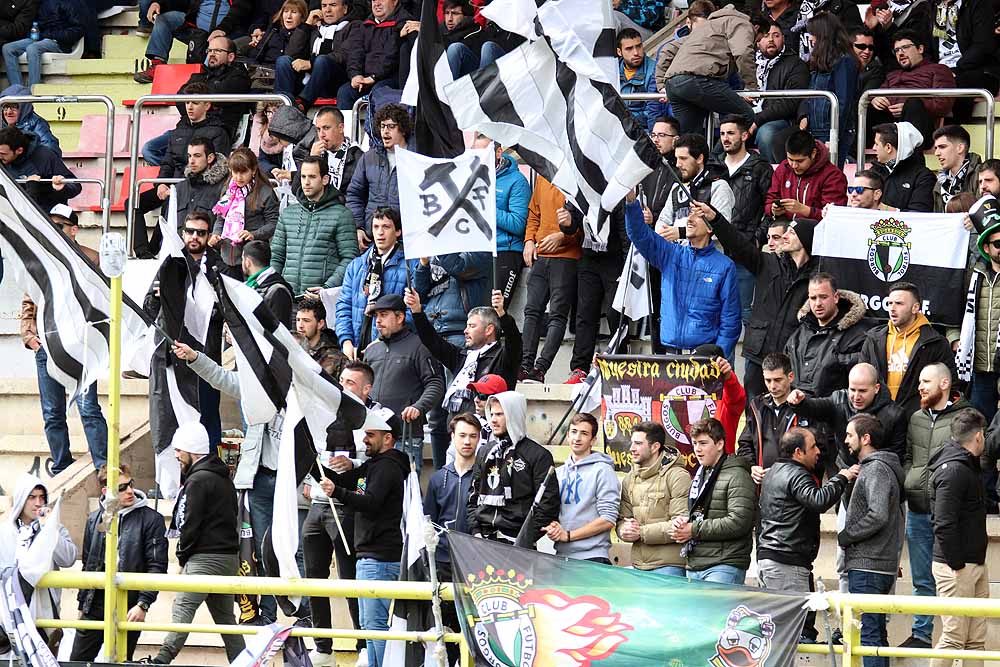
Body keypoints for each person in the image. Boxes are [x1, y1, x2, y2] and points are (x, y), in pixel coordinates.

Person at [21, 205, 108, 475]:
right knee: (52, 411)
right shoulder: (39, 257)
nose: (54, 231)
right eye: (51, 225)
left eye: (59, 226)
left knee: (88, 408)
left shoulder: (93, 258)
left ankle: (104, 467)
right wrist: (30, 336)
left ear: (73, 229)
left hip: (81, 346)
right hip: (47, 344)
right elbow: (28, 299)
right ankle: (61, 466)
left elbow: (104, 301)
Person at [320, 408, 409, 667]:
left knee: (374, 626)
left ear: (388, 438)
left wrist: (337, 491)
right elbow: (347, 482)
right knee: (370, 625)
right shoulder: (374, 466)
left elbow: (370, 502)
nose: (365, 440)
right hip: (372, 557)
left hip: (379, 558)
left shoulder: (387, 467)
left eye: (370, 434)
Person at [152, 423, 246, 665]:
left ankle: (162, 660)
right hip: (228, 559)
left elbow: (189, 523)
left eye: (179, 451)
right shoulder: (224, 479)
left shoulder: (197, 481)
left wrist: (182, 556)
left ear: (192, 452)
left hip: (204, 558)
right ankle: (244, 663)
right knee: (227, 621)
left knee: (182, 608)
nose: (176, 456)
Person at [707, 198, 819, 397]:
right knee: (753, 410)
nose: (784, 237)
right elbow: (738, 243)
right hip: (758, 354)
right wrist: (716, 219)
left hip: (791, 358)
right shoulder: (767, 263)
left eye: (791, 233)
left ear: (806, 240)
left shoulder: (818, 277)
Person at [304, 361, 375, 667]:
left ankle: (363, 644)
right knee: (314, 578)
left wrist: (354, 467)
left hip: (346, 506)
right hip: (317, 504)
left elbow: (380, 464)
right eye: (342, 380)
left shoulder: (375, 418)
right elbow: (310, 452)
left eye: (350, 383)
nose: (343, 386)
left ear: (366, 388)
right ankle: (322, 647)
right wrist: (307, 481)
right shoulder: (323, 412)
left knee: (349, 579)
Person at [757, 428, 856, 643]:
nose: (818, 452)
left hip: (776, 559)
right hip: (786, 562)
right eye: (813, 447)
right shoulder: (796, 474)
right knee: (790, 633)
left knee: (791, 630)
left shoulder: (774, 471)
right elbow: (818, 500)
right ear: (798, 453)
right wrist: (842, 478)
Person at [898, 362, 971, 648]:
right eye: (919, 381)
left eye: (926, 381)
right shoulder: (915, 417)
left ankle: (959, 639)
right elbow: (907, 455)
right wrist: (909, 479)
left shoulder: (965, 418)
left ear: (944, 384)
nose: (920, 386)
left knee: (954, 580)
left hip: (950, 514)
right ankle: (921, 635)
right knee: (921, 580)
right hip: (917, 510)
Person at [144, 211, 225, 459]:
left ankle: (213, 467)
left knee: (208, 418)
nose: (194, 237)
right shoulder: (168, 265)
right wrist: (158, 298)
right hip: (171, 357)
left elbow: (226, 312)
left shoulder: (220, 269)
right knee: (168, 420)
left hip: (204, 358)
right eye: (190, 231)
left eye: (200, 233)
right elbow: (148, 308)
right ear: (182, 233)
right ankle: (172, 481)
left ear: (208, 236)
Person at [628, 188, 741, 357]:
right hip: (670, 356)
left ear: (711, 229)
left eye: (697, 215)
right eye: (689, 214)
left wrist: (718, 356)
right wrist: (631, 204)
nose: (689, 218)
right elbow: (640, 235)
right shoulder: (671, 254)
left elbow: (730, 320)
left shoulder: (724, 266)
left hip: (704, 360)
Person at [72, 464, 168, 662]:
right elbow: (88, 564)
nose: (130, 491)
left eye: (130, 484)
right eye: (122, 488)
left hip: (129, 604)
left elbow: (156, 566)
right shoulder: (94, 519)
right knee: (77, 661)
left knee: (121, 660)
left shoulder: (152, 520)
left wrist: (143, 604)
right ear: (106, 491)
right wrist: (82, 604)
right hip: (95, 602)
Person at [412, 250, 491, 468]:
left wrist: (438, 245)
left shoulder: (479, 250)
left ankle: (464, 472)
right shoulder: (433, 256)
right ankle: (441, 474)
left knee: (459, 412)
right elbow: (419, 291)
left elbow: (458, 266)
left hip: (459, 337)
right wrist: (423, 262)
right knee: (436, 417)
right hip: (432, 334)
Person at [840, 413, 904, 667]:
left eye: (849, 435)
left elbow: (877, 514)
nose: (845, 440)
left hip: (869, 566)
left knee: (869, 636)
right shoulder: (872, 469)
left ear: (865, 438)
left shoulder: (876, 468)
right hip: (874, 564)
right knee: (876, 636)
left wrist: (847, 535)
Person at [928, 408, 989, 667]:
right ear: (978, 437)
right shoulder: (953, 470)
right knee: (953, 637)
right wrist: (957, 565)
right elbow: (943, 523)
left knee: (976, 641)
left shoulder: (964, 467)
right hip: (957, 566)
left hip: (973, 563)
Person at [406, 287, 521, 417]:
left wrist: (501, 314)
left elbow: (514, 341)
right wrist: (416, 310)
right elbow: (432, 341)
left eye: (472, 326)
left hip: (487, 431)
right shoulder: (462, 357)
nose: (465, 331)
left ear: (489, 330)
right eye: (466, 326)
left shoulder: (503, 357)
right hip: (457, 431)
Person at [423, 411, 480, 665]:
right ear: (452, 438)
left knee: (473, 626)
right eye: (462, 436)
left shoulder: (485, 477)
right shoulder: (438, 479)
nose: (467, 441)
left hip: (475, 564)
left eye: (473, 436)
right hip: (444, 563)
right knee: (446, 627)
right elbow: (428, 522)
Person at [364, 293, 444, 472]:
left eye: (384, 315)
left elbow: (436, 382)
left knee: (407, 493)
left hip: (405, 437)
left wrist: (419, 406)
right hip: (371, 437)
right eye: (376, 316)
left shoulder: (420, 346)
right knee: (369, 489)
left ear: (400, 317)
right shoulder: (371, 350)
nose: (378, 321)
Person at [467, 391, 560, 545]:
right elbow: (472, 498)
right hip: (483, 543)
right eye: (492, 414)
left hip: (518, 546)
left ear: (514, 416)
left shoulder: (539, 455)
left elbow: (547, 506)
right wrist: (476, 532)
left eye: (500, 414)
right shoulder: (484, 452)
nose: (493, 420)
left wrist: (523, 540)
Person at [670, 418, 755, 583]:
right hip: (696, 562)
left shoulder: (737, 475)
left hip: (724, 564)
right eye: (695, 444)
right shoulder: (702, 473)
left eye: (703, 443)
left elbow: (739, 522)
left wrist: (694, 529)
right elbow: (701, 511)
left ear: (720, 444)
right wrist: (684, 521)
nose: (697, 450)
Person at [654, 0, 756, 135]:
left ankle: (690, 155)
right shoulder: (740, 23)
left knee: (689, 139)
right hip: (697, 79)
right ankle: (718, 155)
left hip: (673, 83)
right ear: (756, 28)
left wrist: (661, 85)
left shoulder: (706, 27)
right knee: (745, 115)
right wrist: (751, 88)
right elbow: (743, 52)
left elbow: (668, 49)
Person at [788, 361, 909, 469]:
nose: (856, 397)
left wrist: (869, 470)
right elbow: (814, 408)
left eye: (862, 391)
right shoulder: (839, 400)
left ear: (876, 388)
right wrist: (800, 403)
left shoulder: (895, 415)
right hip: (843, 469)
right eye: (852, 390)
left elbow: (895, 456)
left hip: (877, 474)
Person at [859, 282, 955, 416]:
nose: (892, 308)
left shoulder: (936, 342)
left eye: (899, 303)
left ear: (915, 308)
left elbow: (950, 384)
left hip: (917, 419)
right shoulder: (873, 339)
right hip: (878, 416)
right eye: (889, 303)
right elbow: (861, 379)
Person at [520, 176, 581, 383]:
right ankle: (525, 366)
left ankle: (540, 368)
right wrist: (529, 241)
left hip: (567, 258)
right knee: (531, 311)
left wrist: (563, 237)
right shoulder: (542, 176)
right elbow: (533, 215)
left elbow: (586, 222)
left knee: (557, 316)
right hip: (540, 256)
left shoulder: (576, 177)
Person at [272, 155, 359, 294]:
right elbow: (276, 256)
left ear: (325, 179)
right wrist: (277, 288)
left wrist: (326, 289)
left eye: (312, 177)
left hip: (321, 301)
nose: (306, 182)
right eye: (303, 177)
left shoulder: (342, 215)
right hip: (288, 298)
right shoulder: (288, 214)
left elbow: (350, 258)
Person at [0, 474, 76, 630]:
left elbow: (68, 559)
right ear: (21, 499)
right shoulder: (4, 531)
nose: (38, 503)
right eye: (32, 497)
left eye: (42, 497)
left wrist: (49, 529)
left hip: (46, 615)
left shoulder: (54, 527)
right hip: (11, 613)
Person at [617, 420, 692, 576]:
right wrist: (623, 530)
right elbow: (623, 519)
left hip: (670, 566)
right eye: (632, 443)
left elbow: (681, 525)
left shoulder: (678, 476)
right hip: (638, 565)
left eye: (638, 443)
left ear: (655, 447)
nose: (631, 449)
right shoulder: (630, 479)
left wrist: (641, 533)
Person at [718, 115, 773, 322]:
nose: (725, 138)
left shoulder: (760, 167)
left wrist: (758, 238)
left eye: (730, 133)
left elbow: (771, 208)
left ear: (744, 135)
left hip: (745, 248)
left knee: (745, 312)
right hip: (715, 247)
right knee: (714, 311)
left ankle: (752, 356)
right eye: (722, 133)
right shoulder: (714, 166)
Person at [545, 413, 620, 563]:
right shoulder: (558, 473)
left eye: (584, 433)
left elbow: (608, 519)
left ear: (593, 440)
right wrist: (553, 527)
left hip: (593, 557)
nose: (577, 438)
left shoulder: (602, 471)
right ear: (567, 436)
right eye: (573, 432)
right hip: (561, 556)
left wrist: (569, 535)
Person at [336, 207, 409, 356]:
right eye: (376, 227)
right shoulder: (356, 265)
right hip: (357, 343)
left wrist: (385, 338)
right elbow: (344, 306)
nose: (380, 232)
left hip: (393, 346)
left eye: (386, 227)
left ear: (398, 232)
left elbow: (413, 310)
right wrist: (346, 341)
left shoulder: (409, 266)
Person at [784, 272, 868, 398]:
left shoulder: (858, 333)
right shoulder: (799, 332)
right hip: (796, 410)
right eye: (813, 298)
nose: (817, 303)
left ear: (836, 297)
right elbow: (783, 369)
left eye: (823, 297)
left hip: (834, 413)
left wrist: (836, 361)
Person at [472, 133, 531, 306]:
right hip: (479, 250)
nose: (480, 159)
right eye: (476, 154)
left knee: (492, 313)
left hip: (506, 251)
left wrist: (487, 208)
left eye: (484, 153)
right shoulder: (470, 178)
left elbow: (519, 224)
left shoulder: (517, 180)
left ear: (498, 153)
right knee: (474, 316)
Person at [868, 31, 955, 147]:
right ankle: (851, 155)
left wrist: (907, 106)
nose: (900, 53)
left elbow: (944, 104)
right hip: (890, 124)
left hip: (920, 127)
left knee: (913, 103)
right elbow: (879, 94)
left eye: (905, 47)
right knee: (864, 105)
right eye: (897, 50)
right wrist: (875, 99)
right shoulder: (892, 75)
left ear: (920, 49)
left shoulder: (939, 70)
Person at [134, 0, 253, 83]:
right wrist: (159, 3)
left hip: (229, 33)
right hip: (196, 30)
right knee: (164, 19)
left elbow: (241, 8)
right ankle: (157, 66)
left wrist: (222, 29)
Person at [347, 104, 409, 250]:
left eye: (391, 126)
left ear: (403, 130)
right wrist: (359, 227)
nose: (385, 131)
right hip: (372, 237)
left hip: (405, 239)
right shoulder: (369, 158)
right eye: (382, 127)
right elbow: (354, 195)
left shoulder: (416, 158)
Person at [797, 12, 858, 161]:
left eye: (812, 34)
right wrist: (804, 115)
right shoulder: (822, 61)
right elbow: (811, 94)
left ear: (823, 34)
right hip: (816, 129)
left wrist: (835, 135)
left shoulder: (844, 60)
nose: (810, 38)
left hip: (832, 131)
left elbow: (843, 102)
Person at [652, 133, 735, 240]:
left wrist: (682, 233)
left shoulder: (718, 186)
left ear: (700, 158)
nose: (678, 164)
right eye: (677, 158)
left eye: (683, 158)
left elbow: (722, 230)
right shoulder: (677, 188)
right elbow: (662, 221)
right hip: (677, 254)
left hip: (707, 255)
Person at [750, 20, 810, 164]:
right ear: (757, 41)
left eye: (776, 35)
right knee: (726, 136)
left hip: (779, 120)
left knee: (767, 134)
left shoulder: (795, 64)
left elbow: (791, 102)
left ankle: (773, 180)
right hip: (748, 117)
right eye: (765, 35)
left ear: (783, 39)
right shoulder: (747, 63)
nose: (770, 39)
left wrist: (758, 120)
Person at [336, 0, 414, 111]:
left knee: (379, 92)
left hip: (392, 78)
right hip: (366, 79)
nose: (376, 4)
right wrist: (355, 75)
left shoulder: (405, 23)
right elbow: (355, 53)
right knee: (345, 92)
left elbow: (392, 56)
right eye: (374, 0)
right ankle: (346, 128)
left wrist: (374, 77)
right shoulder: (364, 25)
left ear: (395, 1)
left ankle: (375, 128)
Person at [276, 0, 355, 108]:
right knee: (283, 61)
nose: (327, 10)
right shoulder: (314, 28)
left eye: (333, 5)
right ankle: (282, 107)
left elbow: (345, 55)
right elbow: (291, 53)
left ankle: (303, 105)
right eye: (324, 6)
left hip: (334, 81)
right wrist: (307, 24)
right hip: (309, 79)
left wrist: (311, 63)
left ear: (345, 9)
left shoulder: (353, 27)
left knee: (322, 60)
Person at [738, 352, 804, 479]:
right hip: (763, 484)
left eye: (778, 380)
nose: (772, 386)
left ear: (790, 377)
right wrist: (752, 466)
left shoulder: (804, 405)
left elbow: (817, 451)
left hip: (794, 484)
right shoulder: (757, 405)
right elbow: (745, 444)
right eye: (768, 380)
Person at [766, 129, 848, 222]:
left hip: (817, 232)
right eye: (790, 159)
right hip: (785, 230)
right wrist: (773, 210)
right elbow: (770, 200)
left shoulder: (832, 176)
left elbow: (834, 216)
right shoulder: (783, 168)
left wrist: (803, 210)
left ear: (813, 153)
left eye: (799, 161)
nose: (794, 165)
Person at [1, 0, 82, 88]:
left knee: (33, 48)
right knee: (8, 48)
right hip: (40, 38)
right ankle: (16, 89)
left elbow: (78, 30)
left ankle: (33, 92)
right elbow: (33, 24)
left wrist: (51, 35)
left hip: (59, 42)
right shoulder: (40, 3)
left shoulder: (70, 3)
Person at [0, 125, 80, 212]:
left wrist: (62, 188)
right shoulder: (3, 161)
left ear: (19, 150)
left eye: (3, 154)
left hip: (46, 214)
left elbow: (75, 186)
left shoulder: (44, 156)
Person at [870, 121, 935, 212]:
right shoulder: (874, 171)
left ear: (888, 147)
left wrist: (890, 210)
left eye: (877, 144)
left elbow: (920, 215)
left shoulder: (923, 177)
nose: (873, 148)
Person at [296, 107, 362, 194]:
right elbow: (296, 190)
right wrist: (312, 159)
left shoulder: (357, 156)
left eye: (326, 128)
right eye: (318, 129)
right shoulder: (315, 152)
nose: (321, 135)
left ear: (341, 128)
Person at [441, 0, 503, 78]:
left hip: (478, 74)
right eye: (447, 13)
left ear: (465, 16)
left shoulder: (477, 31)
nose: (449, 18)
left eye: (455, 13)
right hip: (456, 80)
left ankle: (484, 88)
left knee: (488, 47)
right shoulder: (438, 35)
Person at [245, 0, 312, 72]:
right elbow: (257, 53)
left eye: (294, 12)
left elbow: (289, 56)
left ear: (302, 16)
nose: (288, 16)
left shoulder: (303, 33)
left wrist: (304, 27)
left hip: (284, 74)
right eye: (286, 11)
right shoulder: (274, 29)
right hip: (263, 72)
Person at [933, 125, 983, 212]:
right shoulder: (940, 182)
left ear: (960, 148)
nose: (936, 153)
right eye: (936, 148)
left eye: (942, 147)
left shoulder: (981, 175)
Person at [0, 86, 60, 155]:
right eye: (5, 107)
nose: (8, 112)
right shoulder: (2, 124)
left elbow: (52, 151)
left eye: (14, 107)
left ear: (24, 108)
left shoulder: (37, 124)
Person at [617, 28, 657, 130]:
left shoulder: (654, 70)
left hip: (642, 129)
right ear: (619, 52)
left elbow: (653, 111)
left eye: (639, 46)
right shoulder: (612, 71)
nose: (636, 52)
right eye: (629, 48)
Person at [853, 26, 886, 95]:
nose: (867, 51)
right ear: (850, 47)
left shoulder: (876, 70)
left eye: (871, 47)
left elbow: (864, 99)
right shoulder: (838, 66)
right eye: (861, 46)